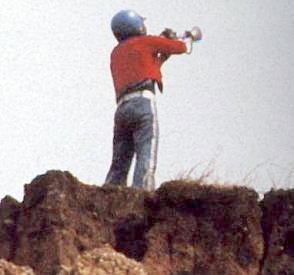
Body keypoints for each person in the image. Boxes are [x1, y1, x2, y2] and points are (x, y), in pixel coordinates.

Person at [104, 9, 194, 191]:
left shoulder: (115, 54)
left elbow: (144, 66)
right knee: (146, 154)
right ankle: (142, 195)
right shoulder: (147, 42)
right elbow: (181, 47)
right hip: (143, 104)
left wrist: (160, 54)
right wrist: (186, 38)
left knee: (120, 161)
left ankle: (109, 196)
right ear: (137, 25)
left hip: (122, 109)